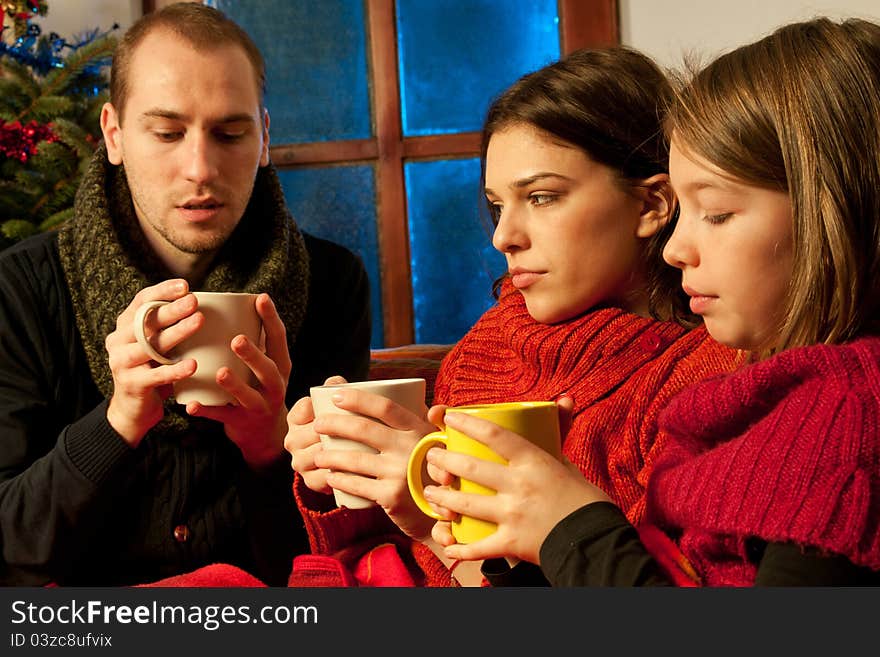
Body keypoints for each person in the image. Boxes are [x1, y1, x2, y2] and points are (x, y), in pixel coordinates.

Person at [422, 16, 880, 586]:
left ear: (832, 209)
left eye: (714, 212)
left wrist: (572, 527)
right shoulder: (765, 395)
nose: (677, 248)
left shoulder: (842, 416)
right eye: (495, 206)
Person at [284, 46, 744, 587]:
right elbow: (399, 545)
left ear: (651, 206)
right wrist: (344, 471)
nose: (504, 236)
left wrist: (434, 515)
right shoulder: (496, 335)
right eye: (498, 206)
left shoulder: (704, 381)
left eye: (543, 197)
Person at [0, 2, 370, 586]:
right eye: (168, 132)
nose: (200, 167)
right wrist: (119, 421)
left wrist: (268, 449)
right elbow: (12, 548)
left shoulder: (331, 283)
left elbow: (332, 562)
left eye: (229, 133)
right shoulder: (21, 289)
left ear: (265, 137)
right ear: (114, 135)